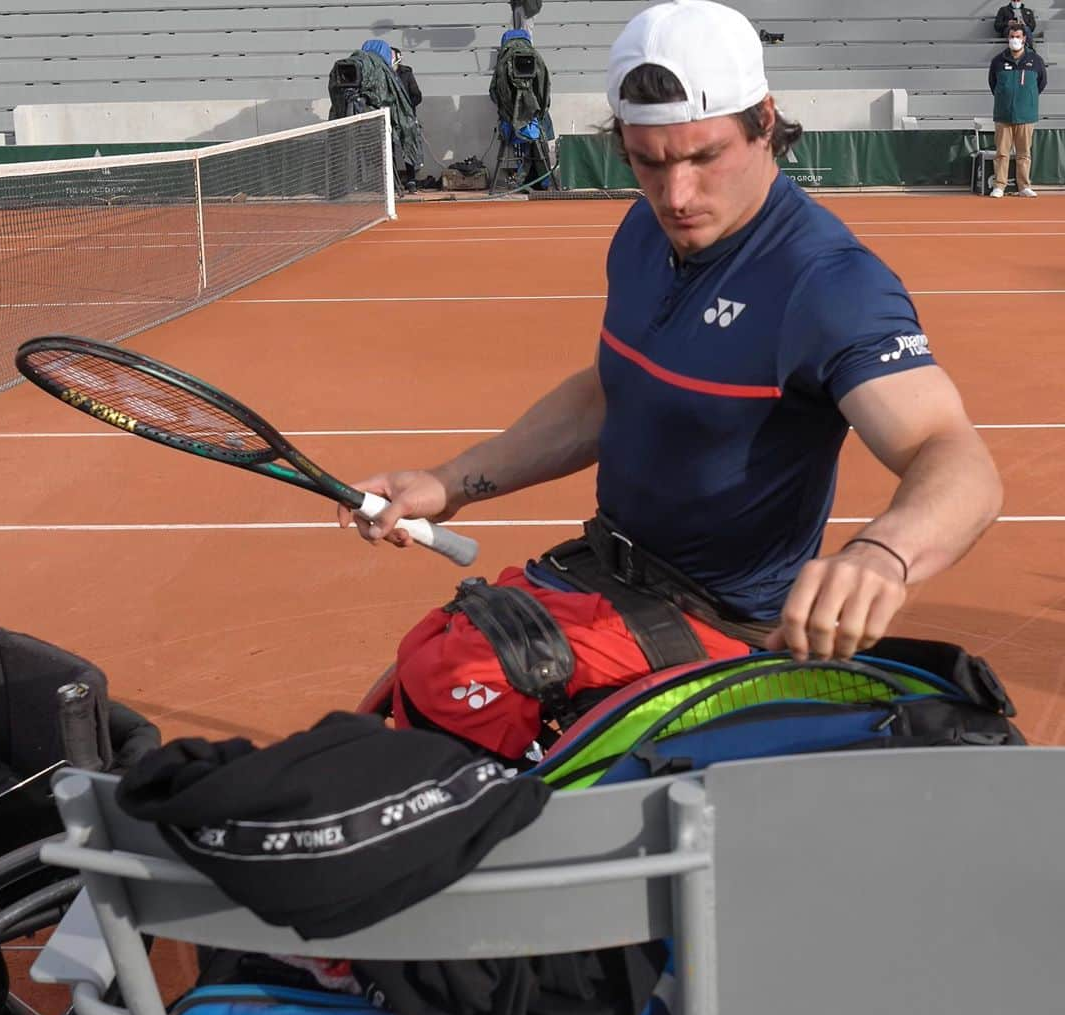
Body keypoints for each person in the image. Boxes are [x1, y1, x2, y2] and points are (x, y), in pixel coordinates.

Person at [341, 0, 1002, 665]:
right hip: (607, 573)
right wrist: (451, 482)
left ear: (764, 121)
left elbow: (953, 457)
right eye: (648, 163)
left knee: (459, 689)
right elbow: (613, 390)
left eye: (703, 157)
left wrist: (883, 555)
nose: (676, 195)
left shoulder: (827, 283)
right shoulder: (642, 232)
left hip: (723, 627)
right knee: (424, 674)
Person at [988, 21, 1047, 198]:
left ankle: (1024, 186)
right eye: (1012, 37)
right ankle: (999, 185)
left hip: (1026, 114)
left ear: (1024, 39)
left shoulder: (1035, 60)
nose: (1014, 39)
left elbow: (1041, 83)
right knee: (1002, 153)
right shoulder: (998, 61)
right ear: (1008, 38)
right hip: (1003, 114)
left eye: (1018, 37)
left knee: (1023, 154)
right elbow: (993, 84)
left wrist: (1027, 99)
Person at [391, 47, 423, 192]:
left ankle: (411, 180)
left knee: (408, 146)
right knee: (388, 148)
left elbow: (417, 95)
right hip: (389, 117)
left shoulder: (406, 73)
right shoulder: (383, 74)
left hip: (406, 117)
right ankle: (391, 180)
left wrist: (407, 108)